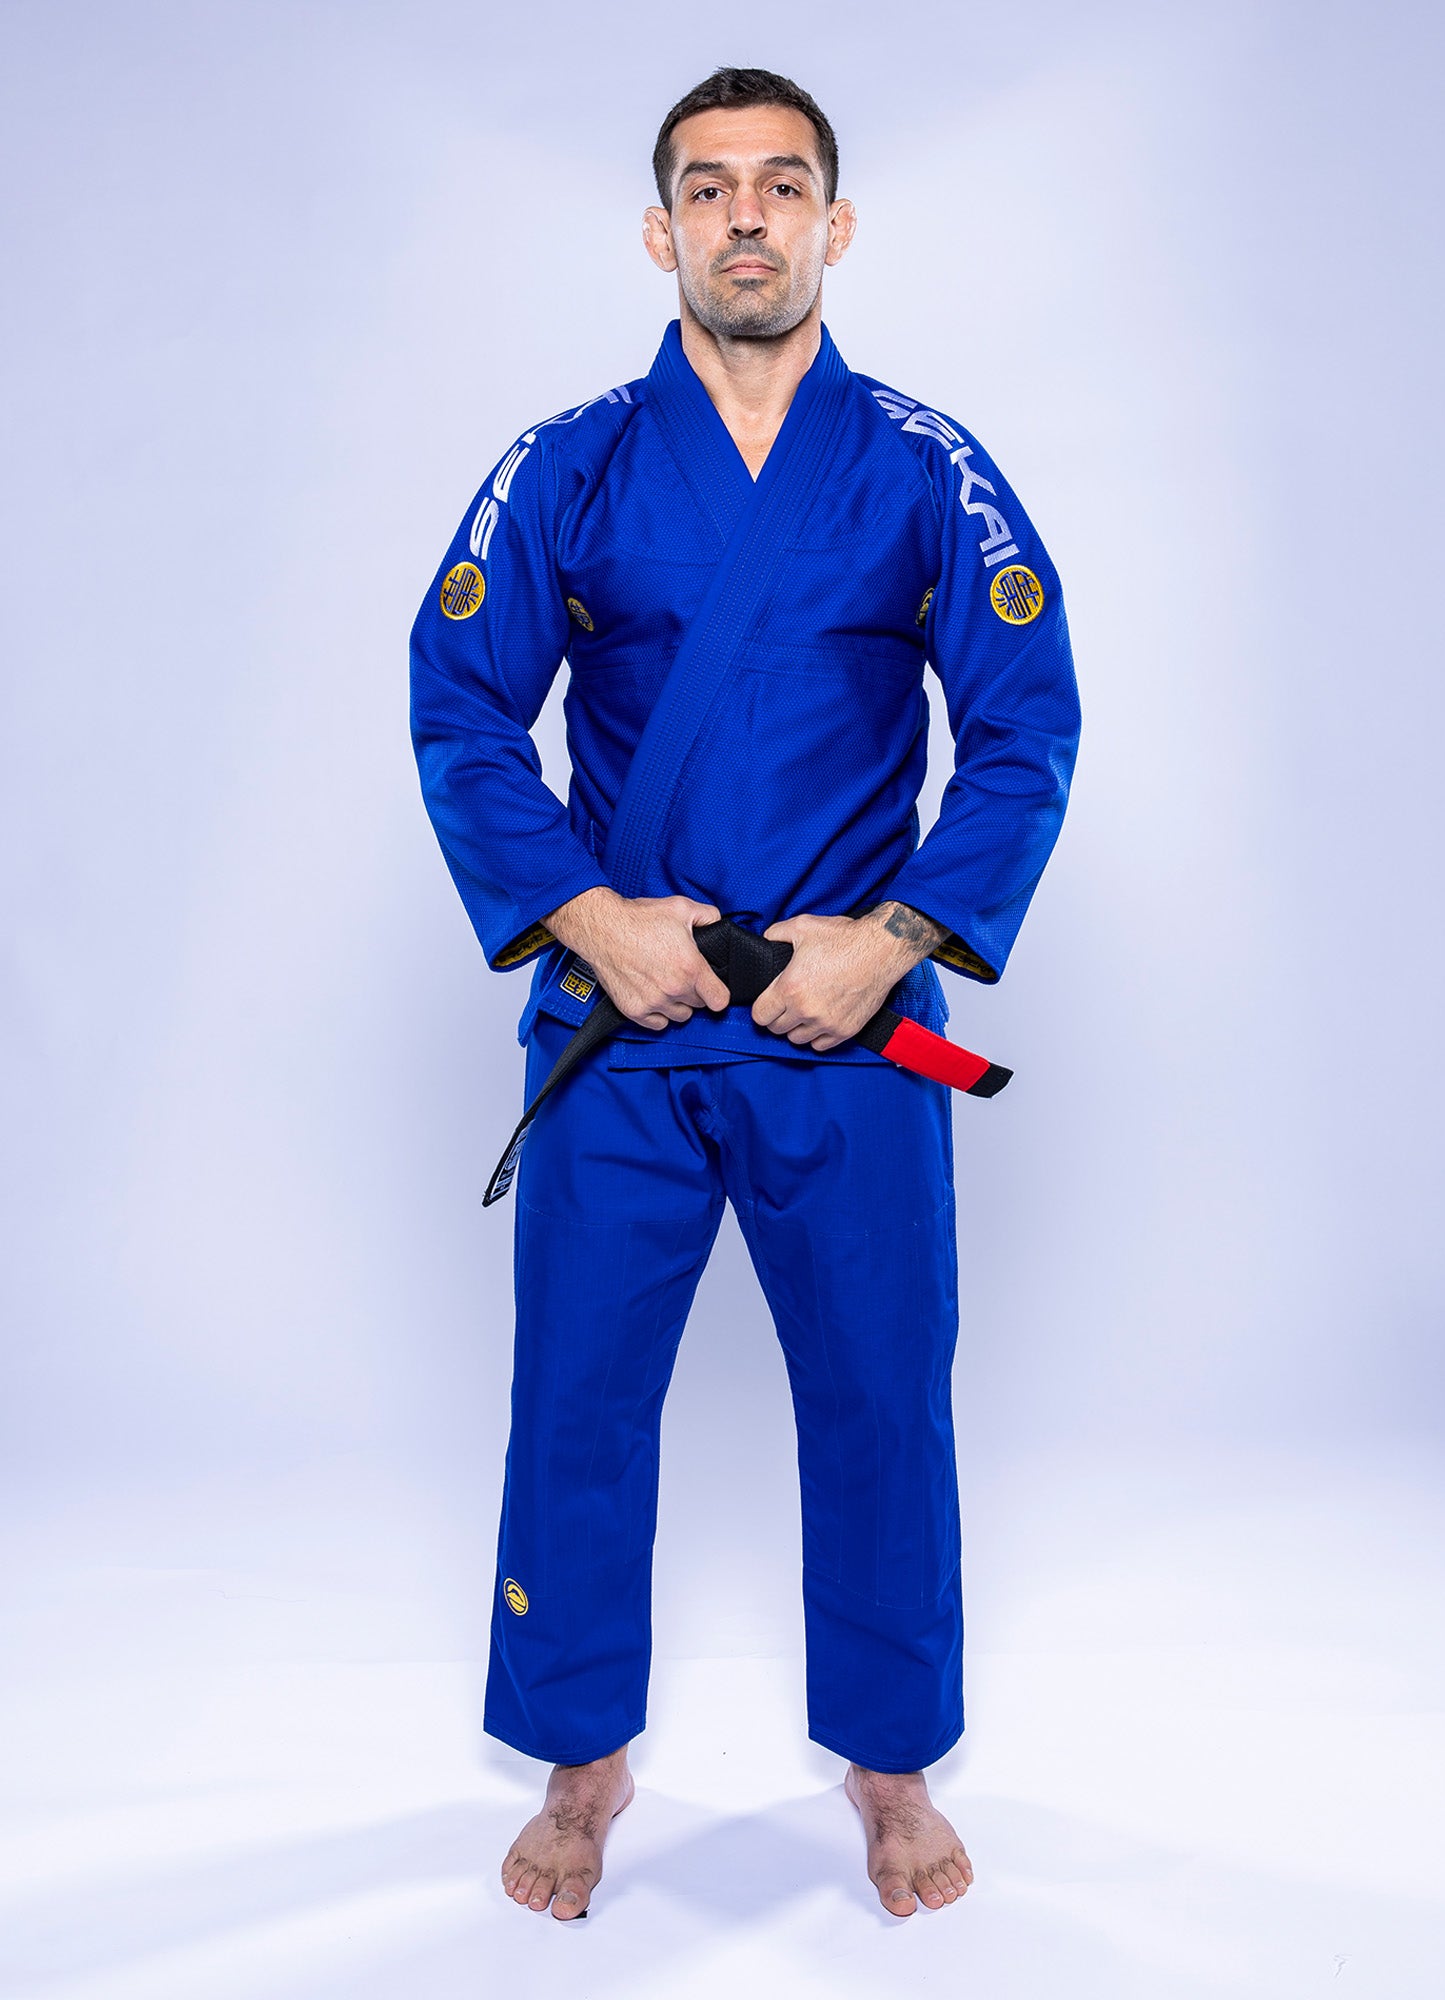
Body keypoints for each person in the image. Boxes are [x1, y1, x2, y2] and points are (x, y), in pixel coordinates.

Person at [410, 66, 1080, 1922]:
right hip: (624, 1023)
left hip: (847, 1027)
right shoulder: (569, 461)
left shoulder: (927, 463)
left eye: (783, 185)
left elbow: (1025, 729)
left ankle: (887, 1765)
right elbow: (459, 697)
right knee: (577, 1398)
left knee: (879, 1395)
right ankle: (580, 1761)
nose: (748, 217)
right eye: (709, 190)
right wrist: (579, 912)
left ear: (836, 225)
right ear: (662, 233)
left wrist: (904, 940)